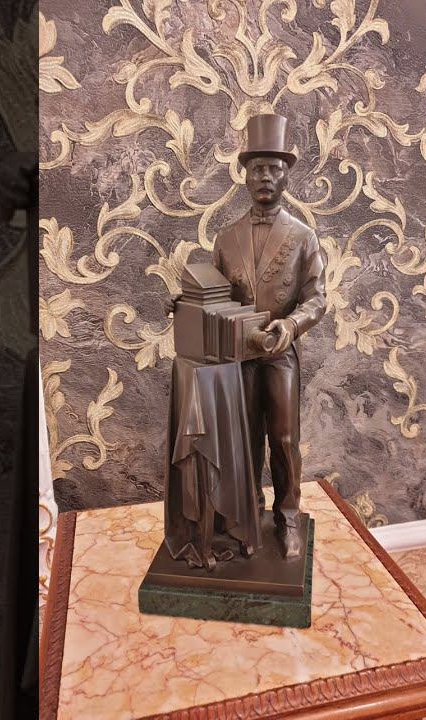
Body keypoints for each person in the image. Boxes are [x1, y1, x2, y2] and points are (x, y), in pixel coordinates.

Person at [165, 113, 327, 560]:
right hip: (236, 358)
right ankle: (248, 512)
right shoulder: (227, 237)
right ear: (245, 175)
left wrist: (289, 325)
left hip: (278, 353)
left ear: (286, 174)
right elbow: (212, 293)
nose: (265, 177)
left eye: (274, 168)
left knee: (284, 439)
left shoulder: (303, 237)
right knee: (243, 438)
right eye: (257, 169)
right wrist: (184, 303)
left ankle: (288, 517)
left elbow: (318, 299)